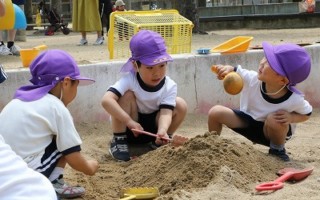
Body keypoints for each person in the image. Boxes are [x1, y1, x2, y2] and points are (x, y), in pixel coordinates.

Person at [0, 49, 100, 198]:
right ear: (66, 82)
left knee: (56, 136)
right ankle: (53, 183)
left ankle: (54, 181)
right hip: (26, 174)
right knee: (66, 142)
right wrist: (90, 168)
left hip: (6, 171)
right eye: (76, 85)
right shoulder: (55, 106)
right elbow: (73, 156)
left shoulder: (18, 100)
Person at [208, 42, 312, 162]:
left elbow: (307, 114)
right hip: (248, 123)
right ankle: (212, 144)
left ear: (282, 80)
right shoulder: (253, 79)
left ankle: (277, 150)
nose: (262, 63)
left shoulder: (294, 98)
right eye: (265, 58)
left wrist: (291, 118)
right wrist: (226, 69)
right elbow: (234, 70)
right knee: (215, 112)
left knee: (275, 119)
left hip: (272, 133)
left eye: (270, 63)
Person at [101, 30, 188, 162]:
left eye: (162, 65)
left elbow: (165, 113)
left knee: (180, 104)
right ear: (136, 65)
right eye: (150, 67)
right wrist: (129, 122)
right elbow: (106, 100)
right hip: (130, 129)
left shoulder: (169, 85)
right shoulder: (130, 80)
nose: (157, 73)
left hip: (154, 131)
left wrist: (162, 130)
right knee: (126, 95)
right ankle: (118, 141)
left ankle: (161, 142)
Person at [0, 3, 57, 199]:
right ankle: (58, 180)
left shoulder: (21, 98)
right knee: (62, 146)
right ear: (66, 83)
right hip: (35, 186)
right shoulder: (55, 106)